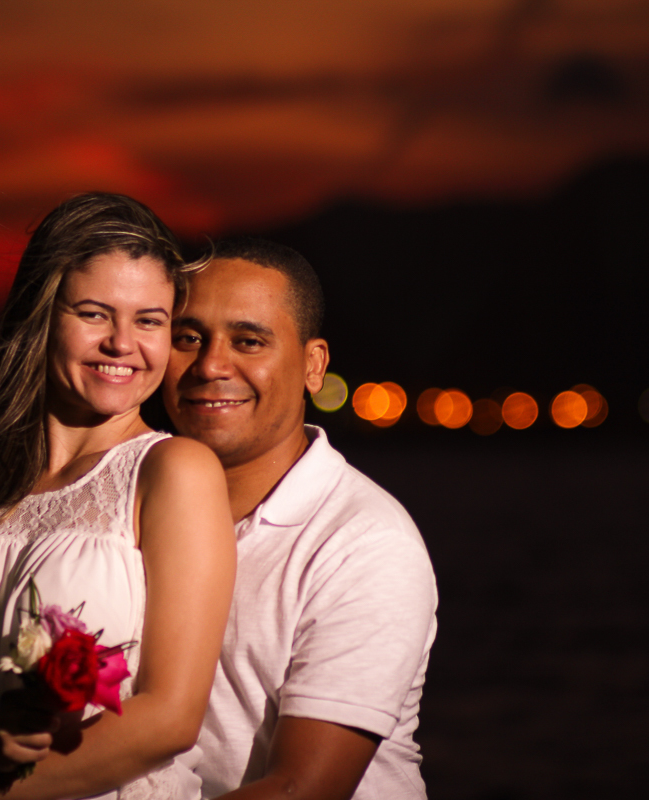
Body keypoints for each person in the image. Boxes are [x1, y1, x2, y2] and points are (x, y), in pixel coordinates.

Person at [0, 193, 237, 800]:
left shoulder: (173, 470)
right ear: (42, 314)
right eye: (93, 313)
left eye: (149, 320)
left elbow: (169, 719)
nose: (121, 342)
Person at [162, 237, 438, 799]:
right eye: (188, 338)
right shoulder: (136, 508)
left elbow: (301, 790)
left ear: (314, 366)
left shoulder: (364, 542)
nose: (212, 364)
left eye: (249, 340)